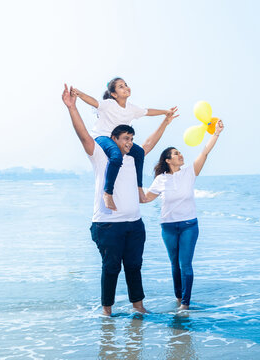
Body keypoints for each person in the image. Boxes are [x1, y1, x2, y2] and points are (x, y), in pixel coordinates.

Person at [62, 84, 178, 316]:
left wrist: (165, 121)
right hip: (107, 225)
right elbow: (83, 135)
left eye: (131, 138)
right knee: (111, 268)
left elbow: (149, 144)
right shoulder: (100, 155)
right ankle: (107, 311)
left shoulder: (133, 158)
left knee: (134, 267)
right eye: (125, 138)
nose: (129, 142)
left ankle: (139, 307)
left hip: (134, 224)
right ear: (113, 138)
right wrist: (72, 108)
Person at [141, 119, 224, 310]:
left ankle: (185, 304)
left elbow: (204, 152)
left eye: (180, 152)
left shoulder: (190, 172)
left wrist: (216, 133)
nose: (180, 155)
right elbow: (145, 199)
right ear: (168, 160)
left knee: (185, 264)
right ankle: (179, 297)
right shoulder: (161, 179)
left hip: (188, 226)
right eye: (176, 154)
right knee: (174, 265)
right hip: (168, 227)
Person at [71, 78, 177, 211]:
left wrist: (165, 112)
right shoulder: (109, 104)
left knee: (139, 153)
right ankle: (108, 193)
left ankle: (139, 189)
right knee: (116, 155)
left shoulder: (131, 109)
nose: (126, 87)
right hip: (103, 137)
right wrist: (79, 94)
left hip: (120, 139)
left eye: (126, 84)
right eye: (121, 86)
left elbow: (147, 111)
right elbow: (93, 101)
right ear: (114, 94)